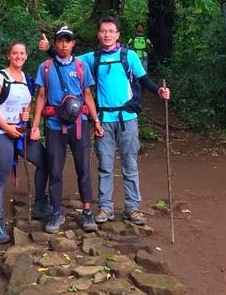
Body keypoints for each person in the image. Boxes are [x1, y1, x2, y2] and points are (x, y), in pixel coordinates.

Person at [39, 16, 170, 227]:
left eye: (111, 31)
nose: (107, 34)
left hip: (128, 117)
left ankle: (132, 207)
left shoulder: (130, 56)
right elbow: (66, 59)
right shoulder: (93, 58)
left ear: (118, 34)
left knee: (130, 163)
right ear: (98, 34)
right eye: (103, 31)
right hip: (103, 118)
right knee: (105, 165)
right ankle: (106, 207)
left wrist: (159, 91)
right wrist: (48, 50)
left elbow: (143, 79)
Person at [31, 26, 102, 234]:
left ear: (73, 44)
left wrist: (96, 120)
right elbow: (41, 97)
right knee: (55, 169)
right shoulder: (45, 67)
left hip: (79, 124)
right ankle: (56, 211)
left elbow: (87, 94)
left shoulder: (81, 67)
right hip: (54, 125)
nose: (64, 45)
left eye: (68, 41)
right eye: (60, 41)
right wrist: (34, 126)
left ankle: (87, 211)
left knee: (84, 168)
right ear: (55, 43)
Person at [0, 41, 37, 244]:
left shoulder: (26, 79)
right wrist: (6, 127)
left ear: (26, 56)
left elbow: (27, 104)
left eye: (22, 53)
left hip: (18, 130)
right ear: (9, 56)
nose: (19, 56)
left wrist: (26, 113)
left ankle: (41, 204)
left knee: (44, 159)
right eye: (15, 53)